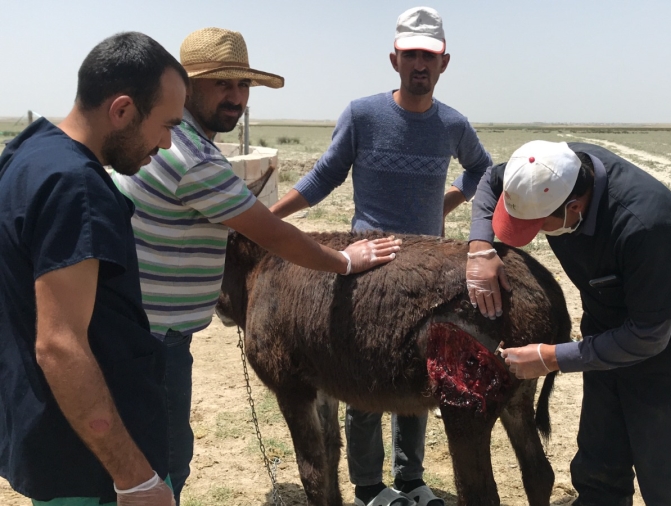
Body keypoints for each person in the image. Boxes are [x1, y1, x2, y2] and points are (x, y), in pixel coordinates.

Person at [112, 27, 401, 505]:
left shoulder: (170, 140)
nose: (236, 97)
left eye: (243, 86)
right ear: (186, 85)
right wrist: (345, 261)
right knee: (161, 463)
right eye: (222, 83)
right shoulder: (194, 158)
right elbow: (272, 235)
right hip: (154, 340)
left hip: (144, 328)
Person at [270, 7, 492, 506]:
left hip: (428, 273)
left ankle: (411, 480)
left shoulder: (453, 125)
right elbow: (324, 175)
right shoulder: (363, 115)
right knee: (362, 378)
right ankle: (370, 486)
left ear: (444, 63)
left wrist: (445, 203)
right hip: (367, 267)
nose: (420, 64)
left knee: (420, 377)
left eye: (429, 56)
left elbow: (484, 172)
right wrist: (267, 218)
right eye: (411, 54)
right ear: (394, 59)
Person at [466, 140, 671, 505]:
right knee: (599, 466)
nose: (535, 233)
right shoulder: (547, 167)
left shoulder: (644, 222)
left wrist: (550, 357)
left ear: (574, 207)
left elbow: (649, 335)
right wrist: (480, 247)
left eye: (539, 225)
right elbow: (492, 180)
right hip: (605, 337)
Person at [0, 32, 188, 506]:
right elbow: (60, 345)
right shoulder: (76, 187)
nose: (167, 144)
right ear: (122, 110)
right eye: (166, 125)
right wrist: (135, 479)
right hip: (93, 466)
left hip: (54, 439)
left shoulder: (27, 156)